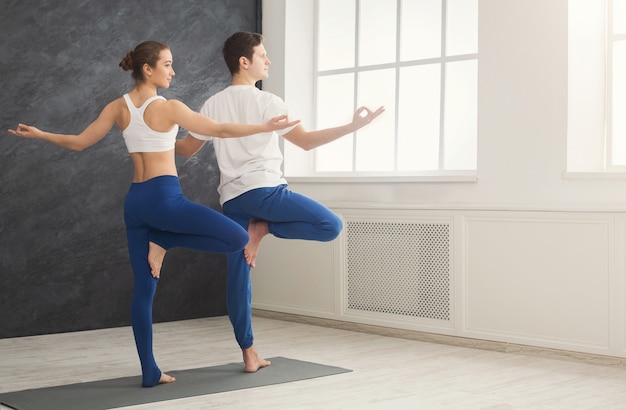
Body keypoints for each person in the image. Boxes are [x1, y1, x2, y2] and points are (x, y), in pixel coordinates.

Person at [7, 40, 299, 388]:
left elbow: (79, 142)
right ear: (148, 69)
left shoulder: (118, 107)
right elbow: (218, 129)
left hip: (136, 202)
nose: (173, 71)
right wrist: (264, 129)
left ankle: (150, 370)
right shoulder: (170, 108)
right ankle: (164, 240)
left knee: (144, 291)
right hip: (165, 198)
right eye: (168, 64)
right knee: (237, 238)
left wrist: (41, 134)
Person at [175, 31, 384, 373]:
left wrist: (147, 138)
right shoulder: (268, 102)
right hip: (266, 192)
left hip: (233, 201)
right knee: (331, 225)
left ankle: (249, 353)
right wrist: (353, 126)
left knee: (238, 278)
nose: (268, 60)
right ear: (244, 62)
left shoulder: (212, 104)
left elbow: (185, 149)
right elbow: (305, 143)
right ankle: (264, 228)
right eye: (262, 55)